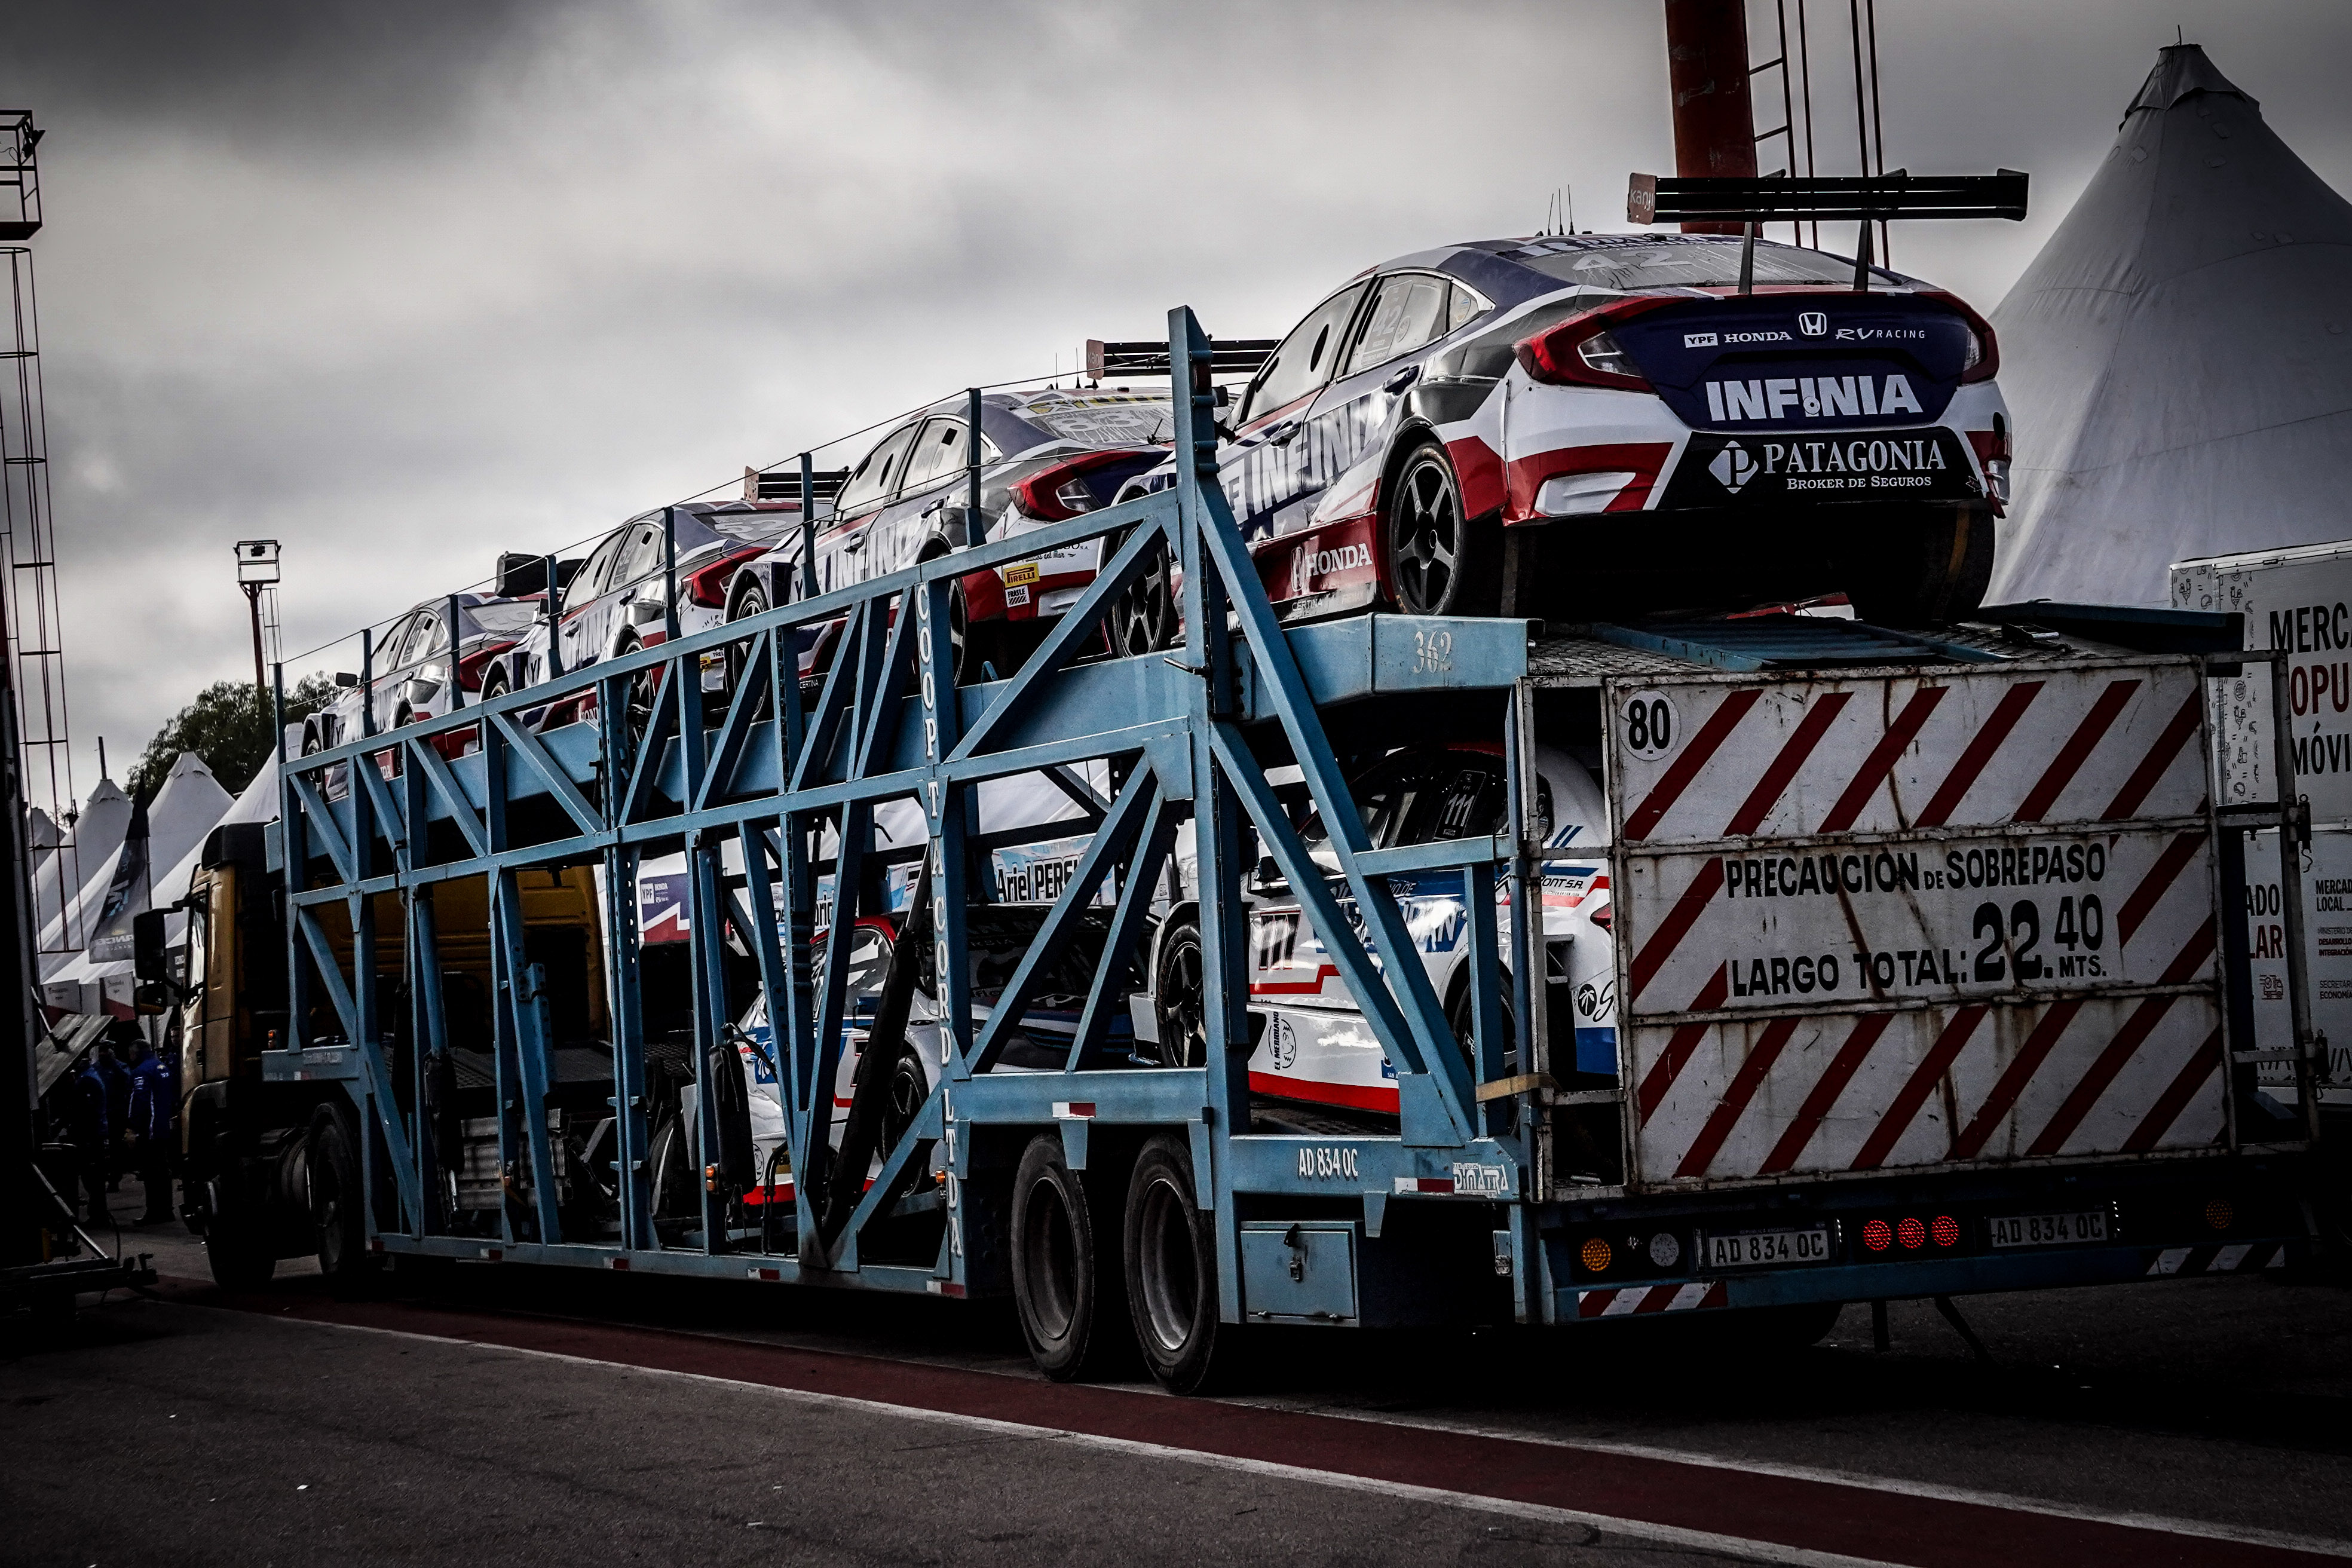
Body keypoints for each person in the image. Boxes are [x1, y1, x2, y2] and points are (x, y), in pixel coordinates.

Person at [127, 1037, 177, 1224]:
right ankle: (167, 1210)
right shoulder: (162, 1067)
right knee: (163, 1170)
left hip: (150, 1130)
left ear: (136, 1053)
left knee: (150, 1172)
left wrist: (131, 1128)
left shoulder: (141, 1072)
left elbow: (139, 1102)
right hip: (164, 1127)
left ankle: (154, 1212)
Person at [63, 1051, 110, 1224]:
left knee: (93, 1178)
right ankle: (98, 1213)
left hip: (90, 1135)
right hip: (93, 1133)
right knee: (94, 1177)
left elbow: (86, 1112)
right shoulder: (89, 1076)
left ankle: (99, 1215)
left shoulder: (87, 1080)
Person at [95, 1040, 133, 1191]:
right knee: (101, 1148)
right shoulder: (96, 1068)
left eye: (107, 1050)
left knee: (116, 1146)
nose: (104, 1054)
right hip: (101, 1112)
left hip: (116, 1113)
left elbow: (128, 1079)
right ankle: (103, 1177)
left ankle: (115, 1178)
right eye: (102, 1051)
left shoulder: (120, 1066)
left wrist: (115, 1064)